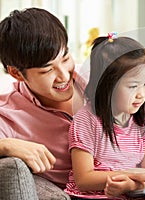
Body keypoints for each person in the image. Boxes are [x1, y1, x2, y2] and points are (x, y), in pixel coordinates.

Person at [0, 7, 84, 198]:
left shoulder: (97, 80)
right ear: (16, 73)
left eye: (65, 58)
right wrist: (4, 145)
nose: (64, 75)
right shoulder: (8, 114)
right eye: (47, 70)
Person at [64, 34, 145, 199]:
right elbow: (83, 179)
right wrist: (127, 176)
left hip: (133, 193)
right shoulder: (86, 120)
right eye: (133, 86)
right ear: (107, 86)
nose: (141, 94)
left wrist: (130, 184)